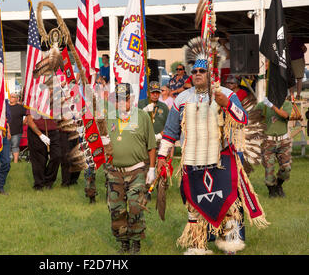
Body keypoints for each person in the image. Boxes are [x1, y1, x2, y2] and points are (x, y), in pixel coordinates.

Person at [156, 42, 268, 255]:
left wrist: (225, 102)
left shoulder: (224, 93)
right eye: (194, 71)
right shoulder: (182, 98)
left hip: (222, 160)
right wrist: (162, 156)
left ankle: (230, 246)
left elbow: (242, 119)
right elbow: (170, 131)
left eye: (202, 71)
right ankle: (198, 245)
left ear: (210, 73)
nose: (197, 74)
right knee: (195, 204)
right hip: (192, 161)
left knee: (229, 204)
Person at [103, 83, 156, 255]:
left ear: (132, 99)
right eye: (117, 99)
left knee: (135, 207)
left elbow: (151, 146)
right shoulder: (110, 117)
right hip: (114, 171)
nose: (121, 103)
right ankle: (123, 242)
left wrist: (152, 169)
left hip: (137, 170)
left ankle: (136, 242)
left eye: (125, 99)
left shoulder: (142, 117)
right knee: (116, 210)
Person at [255, 96, 293, 198]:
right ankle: (271, 190)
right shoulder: (263, 105)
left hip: (283, 141)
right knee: (269, 169)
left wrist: (272, 106)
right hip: (268, 141)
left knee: (286, 168)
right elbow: (252, 117)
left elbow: (285, 115)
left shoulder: (287, 104)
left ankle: (279, 185)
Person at [26, 109, 61, 190]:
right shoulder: (34, 100)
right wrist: (41, 135)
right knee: (39, 160)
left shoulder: (56, 100)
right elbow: (30, 120)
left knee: (57, 156)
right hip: (36, 132)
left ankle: (48, 180)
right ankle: (39, 184)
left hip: (53, 132)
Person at [288, 34, 307, 100]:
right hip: (290, 61)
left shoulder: (297, 39)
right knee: (291, 79)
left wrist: (299, 54)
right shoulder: (284, 41)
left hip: (298, 60)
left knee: (299, 78)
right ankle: (291, 95)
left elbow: (305, 49)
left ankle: (298, 95)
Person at [8, 92, 26, 163]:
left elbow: (27, 115)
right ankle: (7, 161)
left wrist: (23, 122)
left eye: (13, 97)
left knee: (15, 146)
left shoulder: (20, 107)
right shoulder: (6, 107)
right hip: (7, 130)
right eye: (11, 96)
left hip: (17, 131)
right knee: (7, 147)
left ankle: (15, 162)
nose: (11, 98)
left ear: (17, 99)